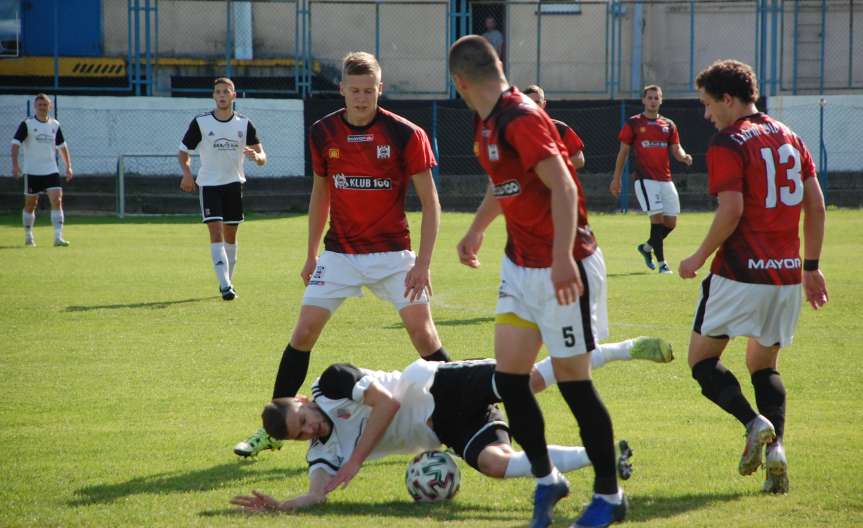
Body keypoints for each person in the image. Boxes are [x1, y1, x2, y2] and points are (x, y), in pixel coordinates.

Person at [233, 52, 449, 459]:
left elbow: (431, 201)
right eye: (355, 91)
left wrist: (422, 263)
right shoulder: (323, 132)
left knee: (425, 338)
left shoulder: (406, 134)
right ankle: (274, 429)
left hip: (393, 253)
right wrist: (311, 253)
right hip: (340, 255)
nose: (362, 98)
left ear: (379, 90)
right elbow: (321, 193)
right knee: (303, 333)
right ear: (343, 90)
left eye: (369, 91)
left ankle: (466, 413)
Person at [449, 35, 626, 528]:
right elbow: (503, 184)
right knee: (509, 380)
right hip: (519, 267)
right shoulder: (486, 122)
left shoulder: (521, 117)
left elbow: (565, 187)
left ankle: (611, 497)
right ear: (496, 66)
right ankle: (548, 481)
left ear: (459, 82)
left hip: (561, 267)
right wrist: (477, 229)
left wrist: (563, 258)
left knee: (573, 382)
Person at [230, 339, 671, 513]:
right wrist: (281, 505)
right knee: (497, 464)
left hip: (439, 384)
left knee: (532, 382)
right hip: (445, 429)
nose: (309, 430)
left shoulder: (332, 382)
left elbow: (384, 405)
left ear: (304, 402)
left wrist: (356, 463)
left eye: (303, 420)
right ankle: (604, 457)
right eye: (300, 434)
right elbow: (318, 492)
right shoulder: (322, 455)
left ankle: (624, 349)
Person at [679, 59, 828, 495]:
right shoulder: (791, 137)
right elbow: (815, 206)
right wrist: (812, 268)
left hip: (738, 273)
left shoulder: (728, 142)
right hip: (784, 278)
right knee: (764, 366)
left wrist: (697, 256)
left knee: (702, 362)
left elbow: (732, 210)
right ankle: (777, 450)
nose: (707, 115)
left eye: (709, 105)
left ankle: (753, 422)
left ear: (728, 99)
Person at [178, 77, 266, 301]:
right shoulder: (202, 122)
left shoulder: (244, 124)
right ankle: (225, 285)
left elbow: (263, 156)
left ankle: (228, 280)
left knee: (231, 235)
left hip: (234, 184)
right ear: (213, 96)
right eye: (218, 92)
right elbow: (183, 151)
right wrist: (187, 174)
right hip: (209, 185)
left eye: (226, 91)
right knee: (215, 232)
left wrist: (257, 157)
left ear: (234, 95)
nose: (222, 95)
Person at [610, 85, 693, 275]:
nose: (653, 101)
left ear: (661, 100)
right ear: (643, 100)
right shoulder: (634, 123)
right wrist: (616, 179)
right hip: (645, 179)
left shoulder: (668, 125)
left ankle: (647, 248)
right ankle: (663, 264)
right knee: (656, 218)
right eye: (650, 97)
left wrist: (684, 156)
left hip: (666, 179)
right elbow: (623, 152)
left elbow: (676, 148)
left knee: (671, 222)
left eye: (656, 98)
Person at [11, 93, 73, 247]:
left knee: (57, 200)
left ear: (49, 106)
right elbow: (15, 145)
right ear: (35, 106)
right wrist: (15, 165)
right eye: (39, 105)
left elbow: (62, 147)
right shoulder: (27, 124)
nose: (42, 107)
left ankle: (58, 238)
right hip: (32, 171)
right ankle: (28, 235)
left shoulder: (55, 125)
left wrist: (68, 166)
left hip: (51, 170)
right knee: (31, 204)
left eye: (45, 105)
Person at [523, 84, 586, 170]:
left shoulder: (560, 129)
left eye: (537, 102)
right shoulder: (512, 131)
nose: (533, 106)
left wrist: (553, 169)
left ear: (544, 104)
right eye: (528, 102)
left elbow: (579, 160)